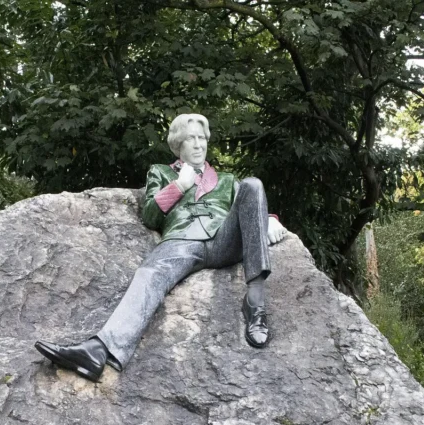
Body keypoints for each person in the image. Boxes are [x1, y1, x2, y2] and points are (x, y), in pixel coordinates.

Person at [35, 113, 286, 381]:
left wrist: (267, 219)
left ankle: (255, 305)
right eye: (190, 139)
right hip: (182, 241)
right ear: (178, 145)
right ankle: (99, 351)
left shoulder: (226, 179)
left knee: (253, 184)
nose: (198, 144)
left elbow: (249, 203)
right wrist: (179, 185)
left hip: (224, 240)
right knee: (148, 274)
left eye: (201, 138)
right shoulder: (161, 172)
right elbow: (150, 216)